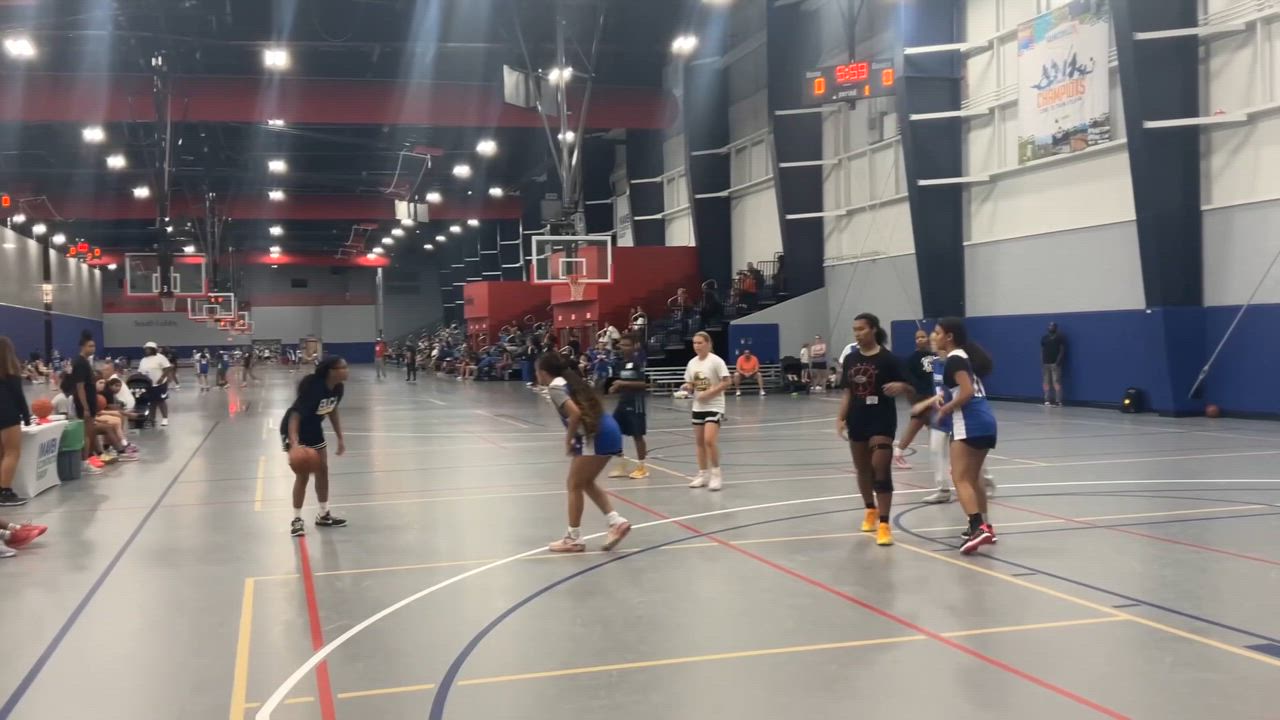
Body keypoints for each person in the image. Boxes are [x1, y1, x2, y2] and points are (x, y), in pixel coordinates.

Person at [914, 317, 999, 554]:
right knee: (973, 478)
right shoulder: (963, 357)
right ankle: (985, 526)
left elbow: (967, 391)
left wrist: (946, 409)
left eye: (937, 332)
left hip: (970, 422)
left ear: (949, 337)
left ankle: (978, 527)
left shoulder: (954, 359)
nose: (934, 336)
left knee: (960, 478)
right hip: (986, 420)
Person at [536, 352, 631, 553]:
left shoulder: (555, 388)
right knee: (586, 482)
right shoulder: (569, 381)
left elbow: (575, 413)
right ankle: (616, 521)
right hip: (608, 429)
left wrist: (569, 438)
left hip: (596, 435)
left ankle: (573, 538)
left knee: (574, 484)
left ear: (543, 373)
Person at [836, 313, 914, 547]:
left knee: (881, 468)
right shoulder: (850, 359)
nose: (857, 334)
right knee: (863, 469)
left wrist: (902, 386)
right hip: (858, 419)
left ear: (873, 330)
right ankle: (870, 509)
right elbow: (848, 392)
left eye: (861, 329)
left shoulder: (889, 359)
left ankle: (884, 524)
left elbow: (912, 388)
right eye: (855, 330)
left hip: (882, 419)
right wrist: (840, 418)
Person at [281, 356, 350, 537]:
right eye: (343, 367)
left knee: (323, 470)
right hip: (295, 429)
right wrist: (294, 444)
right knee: (302, 475)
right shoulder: (314, 388)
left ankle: (323, 514)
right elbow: (295, 416)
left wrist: (340, 437)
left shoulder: (338, 388)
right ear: (331, 371)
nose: (347, 370)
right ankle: (297, 519)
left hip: (314, 428)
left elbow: (332, 410)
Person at [682, 331, 732, 491]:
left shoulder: (716, 361)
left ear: (708, 344)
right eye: (694, 343)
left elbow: (727, 382)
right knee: (699, 442)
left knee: (709, 440)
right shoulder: (692, 363)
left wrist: (709, 393)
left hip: (714, 405)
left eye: (700, 343)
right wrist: (688, 387)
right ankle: (702, 474)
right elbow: (691, 383)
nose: (696, 346)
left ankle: (716, 474)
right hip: (698, 406)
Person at [893, 329, 937, 470]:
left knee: (934, 426)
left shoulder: (934, 356)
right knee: (917, 423)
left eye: (923, 337)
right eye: (917, 338)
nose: (920, 339)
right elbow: (909, 380)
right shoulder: (912, 359)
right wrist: (915, 399)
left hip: (933, 396)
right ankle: (898, 453)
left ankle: (940, 456)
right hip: (920, 396)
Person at [607, 334, 650, 480]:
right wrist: (615, 387)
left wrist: (622, 383)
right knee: (613, 430)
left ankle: (642, 467)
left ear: (634, 346)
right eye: (622, 345)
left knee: (637, 435)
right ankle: (621, 463)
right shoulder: (621, 363)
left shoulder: (639, 363)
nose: (624, 348)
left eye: (627, 345)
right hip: (623, 402)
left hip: (636, 403)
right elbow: (622, 381)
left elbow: (645, 384)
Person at [0, 337, 32, 507]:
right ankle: (5, 492)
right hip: (8, 415)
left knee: (1, 455)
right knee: (12, 453)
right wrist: (26, 417)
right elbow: (19, 397)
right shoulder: (11, 374)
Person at [69, 331, 104, 473]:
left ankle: (87, 459)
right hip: (85, 404)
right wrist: (85, 407)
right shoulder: (80, 363)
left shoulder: (85, 362)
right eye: (90, 346)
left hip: (90, 402)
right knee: (86, 434)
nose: (93, 348)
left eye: (94, 346)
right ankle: (84, 463)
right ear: (83, 347)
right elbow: (80, 387)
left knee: (89, 433)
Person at [138, 342, 171, 427]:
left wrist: (162, 378)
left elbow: (167, 368)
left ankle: (165, 418)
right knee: (151, 402)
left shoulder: (160, 357)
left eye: (148, 349)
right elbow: (140, 372)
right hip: (148, 385)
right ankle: (152, 419)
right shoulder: (143, 360)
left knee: (161, 401)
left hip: (160, 384)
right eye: (146, 349)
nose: (146, 350)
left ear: (153, 349)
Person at [1041, 322, 1065, 407]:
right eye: (1049, 326)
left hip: (1055, 364)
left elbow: (1062, 350)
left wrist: (1058, 362)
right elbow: (1042, 350)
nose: (1050, 327)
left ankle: (1058, 401)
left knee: (1056, 381)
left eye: (1052, 326)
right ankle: (1047, 400)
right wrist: (1042, 361)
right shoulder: (1044, 338)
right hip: (1046, 363)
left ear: (1056, 328)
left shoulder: (1060, 338)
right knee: (1046, 382)